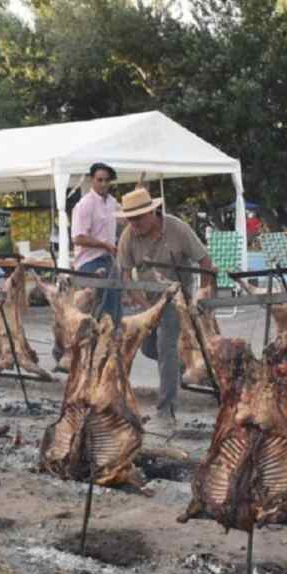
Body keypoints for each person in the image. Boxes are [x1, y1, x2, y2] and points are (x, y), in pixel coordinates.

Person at [116, 187, 216, 424]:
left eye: (139, 218)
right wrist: (140, 301)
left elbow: (205, 261)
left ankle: (166, 408)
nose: (135, 223)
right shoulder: (128, 236)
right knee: (149, 348)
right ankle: (188, 366)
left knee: (165, 346)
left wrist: (202, 292)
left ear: (153, 213)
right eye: (130, 218)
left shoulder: (177, 228)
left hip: (176, 297)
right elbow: (125, 274)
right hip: (149, 300)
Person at [71, 163, 122, 323]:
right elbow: (78, 237)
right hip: (89, 263)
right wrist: (105, 245)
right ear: (92, 180)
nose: (103, 184)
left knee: (114, 310)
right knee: (98, 312)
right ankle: (94, 345)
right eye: (100, 180)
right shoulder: (85, 204)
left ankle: (111, 345)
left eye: (107, 180)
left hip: (109, 261)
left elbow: (126, 220)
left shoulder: (112, 202)